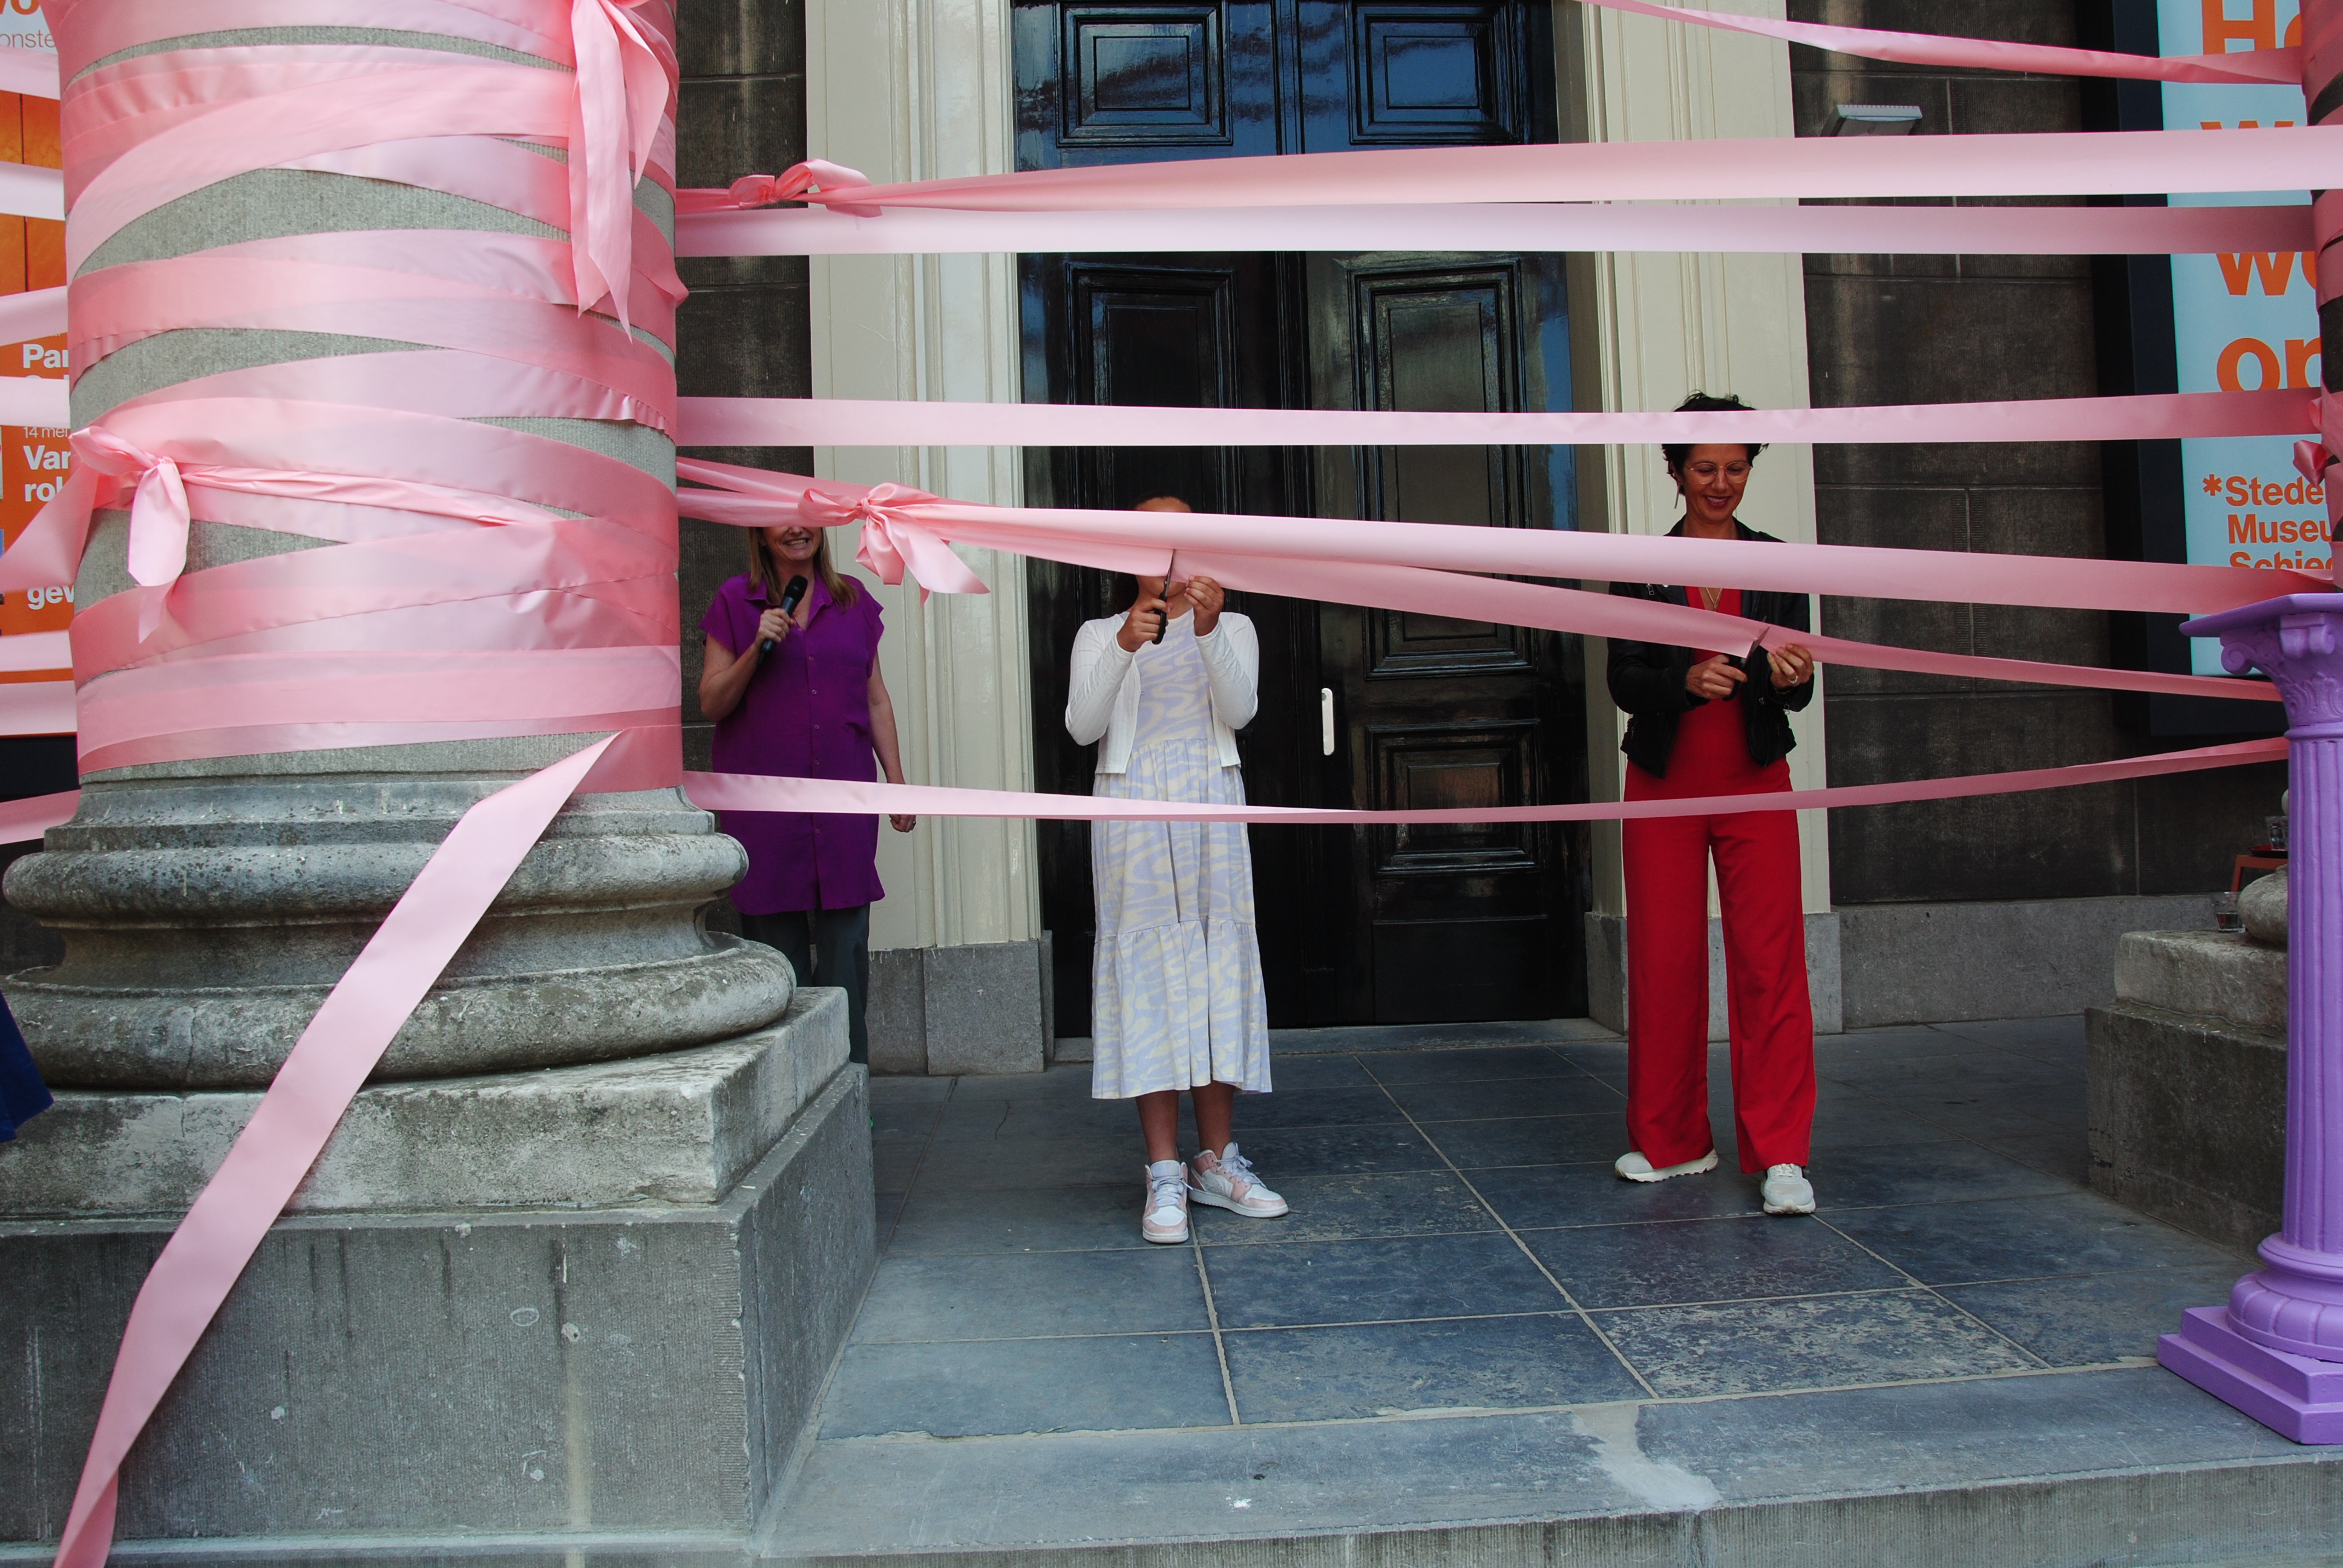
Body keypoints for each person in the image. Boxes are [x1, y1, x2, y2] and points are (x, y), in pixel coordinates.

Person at [1606, 393, 1822, 1216]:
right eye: (1705, 468)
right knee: (1664, 963)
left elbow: (1797, 690)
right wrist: (1684, 683)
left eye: (1735, 467)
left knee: (1771, 968)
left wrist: (1786, 677)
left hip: (1756, 786)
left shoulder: (1777, 562)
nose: (1721, 483)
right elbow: (1624, 679)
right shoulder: (1643, 565)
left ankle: (1782, 1156)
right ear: (1674, 471)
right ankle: (1672, 1142)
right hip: (1661, 787)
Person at [1067, 494, 1286, 1244]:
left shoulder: (1234, 626)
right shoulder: (1099, 632)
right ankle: (1163, 1168)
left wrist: (1208, 630)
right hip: (1131, 808)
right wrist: (1125, 645)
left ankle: (1216, 1160)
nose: (1167, 555)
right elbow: (1081, 727)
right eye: (1152, 540)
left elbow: (1242, 708)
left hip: (1210, 804)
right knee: (1154, 973)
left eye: (1181, 540)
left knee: (1214, 964)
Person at [700, 514, 915, 1065]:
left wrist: (898, 783)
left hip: (844, 803)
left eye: (807, 521)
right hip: (767, 811)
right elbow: (712, 703)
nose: (797, 531)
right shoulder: (735, 600)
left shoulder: (853, 601)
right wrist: (757, 647)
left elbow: (875, 699)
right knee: (778, 959)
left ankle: (848, 1087)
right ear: (759, 533)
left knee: (847, 952)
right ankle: (790, 1096)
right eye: (780, 523)